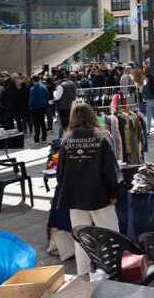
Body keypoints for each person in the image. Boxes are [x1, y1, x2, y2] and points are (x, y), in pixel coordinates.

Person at [55, 103, 123, 275]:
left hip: (75, 198)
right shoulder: (101, 137)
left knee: (80, 239)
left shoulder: (66, 139)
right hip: (100, 196)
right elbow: (110, 170)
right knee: (109, 237)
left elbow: (60, 172)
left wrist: (65, 192)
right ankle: (111, 272)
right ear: (92, 116)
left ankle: (83, 276)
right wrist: (114, 192)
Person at [29, 76, 49, 144]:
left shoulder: (32, 89)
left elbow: (32, 99)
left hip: (35, 108)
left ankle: (37, 139)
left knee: (36, 124)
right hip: (43, 107)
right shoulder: (44, 87)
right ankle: (44, 138)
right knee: (42, 123)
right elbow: (47, 96)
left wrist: (30, 106)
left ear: (33, 80)